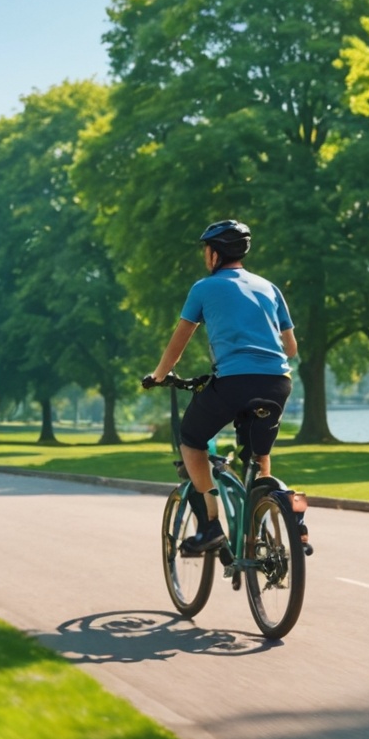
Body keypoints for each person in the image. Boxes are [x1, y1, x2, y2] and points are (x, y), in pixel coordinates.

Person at [144, 220, 301, 555]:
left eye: (206, 250)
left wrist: (158, 375)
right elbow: (291, 349)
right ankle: (260, 522)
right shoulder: (270, 288)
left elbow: (178, 343)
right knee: (259, 453)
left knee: (191, 439)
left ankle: (213, 526)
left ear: (214, 254)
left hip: (233, 382)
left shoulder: (204, 288)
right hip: (278, 382)